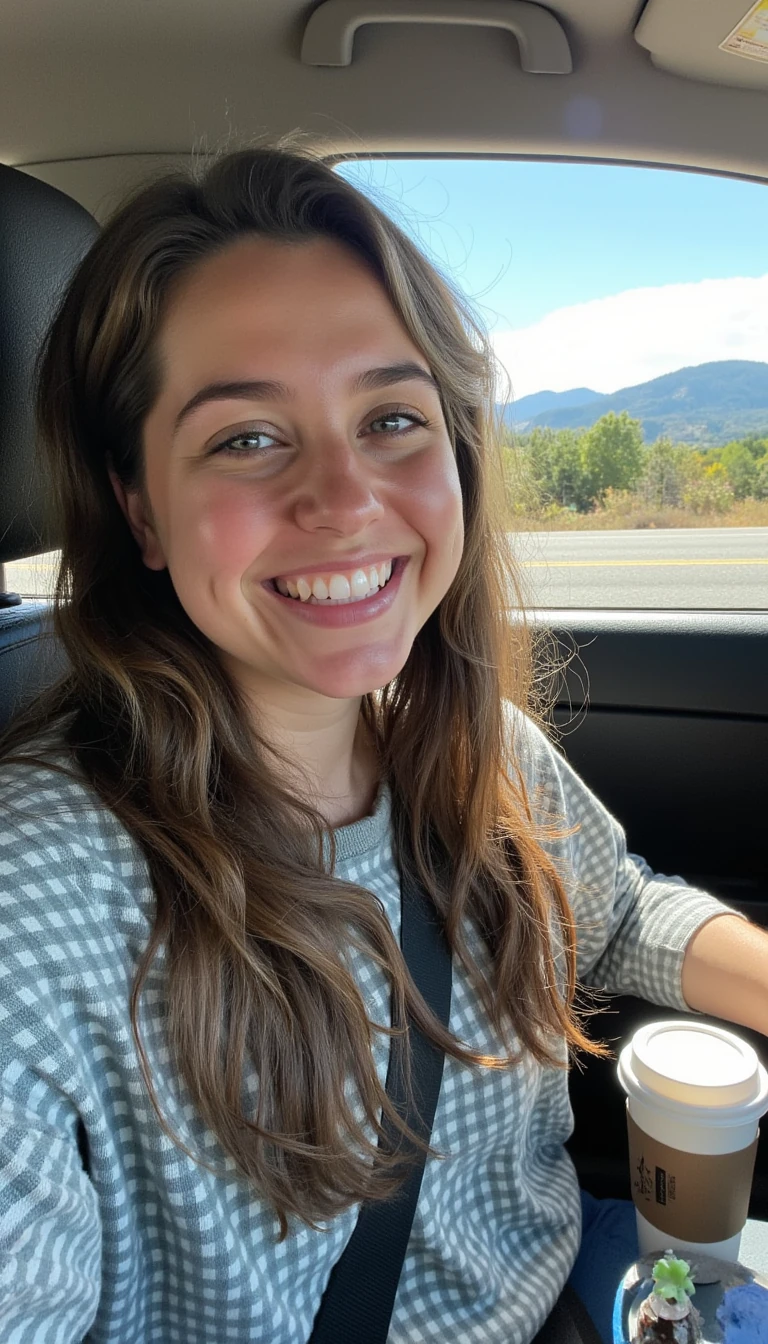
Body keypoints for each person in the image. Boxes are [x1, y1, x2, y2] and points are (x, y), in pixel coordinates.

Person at [0, 139, 766, 1344]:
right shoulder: (36, 897)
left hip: (581, 1290)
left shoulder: (468, 747)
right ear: (140, 507)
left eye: (393, 417)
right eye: (247, 437)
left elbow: (621, 915)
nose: (347, 497)